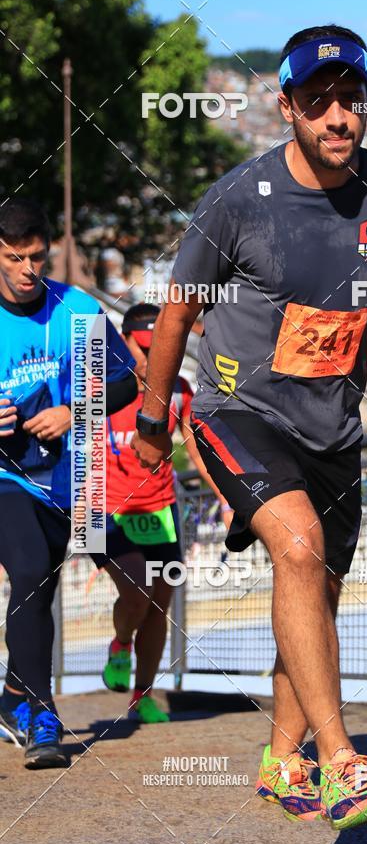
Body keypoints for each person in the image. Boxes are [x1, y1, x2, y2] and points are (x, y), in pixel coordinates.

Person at [131, 24, 367, 830]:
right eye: (317, 101)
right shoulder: (238, 199)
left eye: (351, 98)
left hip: (331, 430)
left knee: (314, 589)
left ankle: (284, 757)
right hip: (233, 410)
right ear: (287, 108)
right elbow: (176, 313)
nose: (337, 116)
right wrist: (152, 416)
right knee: (299, 548)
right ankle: (341, 762)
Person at [0, 198, 137, 769]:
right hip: (5, 478)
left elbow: (128, 382)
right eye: (14, 259)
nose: (29, 270)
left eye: (37, 257)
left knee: (133, 576)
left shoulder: (74, 309)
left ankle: (13, 697)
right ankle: (41, 713)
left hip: (69, 478)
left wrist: (77, 409)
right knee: (30, 572)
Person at [89, 303, 232, 722]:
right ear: (125, 340)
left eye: (159, 348)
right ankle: (120, 643)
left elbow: (198, 451)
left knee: (159, 603)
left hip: (160, 510)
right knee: (136, 593)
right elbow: (77, 448)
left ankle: (142, 696)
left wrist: (225, 498)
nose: (152, 358)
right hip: (105, 511)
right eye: (144, 347)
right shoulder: (99, 388)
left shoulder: (179, 390)